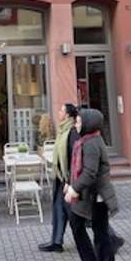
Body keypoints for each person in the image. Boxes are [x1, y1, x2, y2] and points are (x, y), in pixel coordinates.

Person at [65, 109, 120, 261]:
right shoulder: (85, 141)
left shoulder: (92, 144)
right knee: (76, 224)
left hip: (97, 196)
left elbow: (89, 172)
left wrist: (74, 188)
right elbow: (78, 169)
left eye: (79, 122)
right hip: (87, 195)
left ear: (88, 123)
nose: (76, 125)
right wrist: (70, 184)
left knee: (101, 235)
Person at [38, 103, 80, 252]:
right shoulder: (63, 131)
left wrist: (69, 181)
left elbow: (75, 159)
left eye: (61, 110)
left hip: (69, 180)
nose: (58, 112)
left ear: (67, 115)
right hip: (61, 177)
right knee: (59, 208)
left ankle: (110, 238)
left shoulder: (72, 133)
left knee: (85, 213)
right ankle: (56, 241)